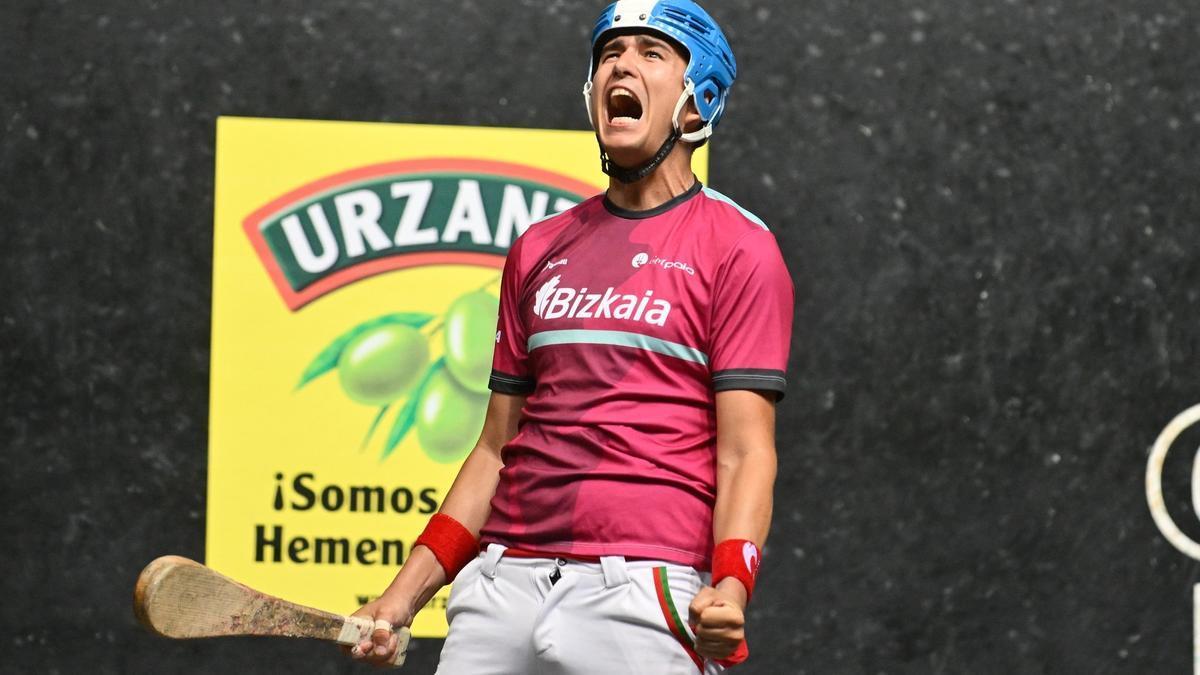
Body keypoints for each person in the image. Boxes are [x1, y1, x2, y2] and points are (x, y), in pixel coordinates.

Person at [349, 1, 793, 672]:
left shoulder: (740, 249)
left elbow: (746, 451)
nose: (622, 64)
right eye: (610, 53)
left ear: (698, 103)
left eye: (651, 53)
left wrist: (731, 582)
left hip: (642, 590)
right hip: (501, 583)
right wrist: (402, 596)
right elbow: (496, 448)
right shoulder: (539, 248)